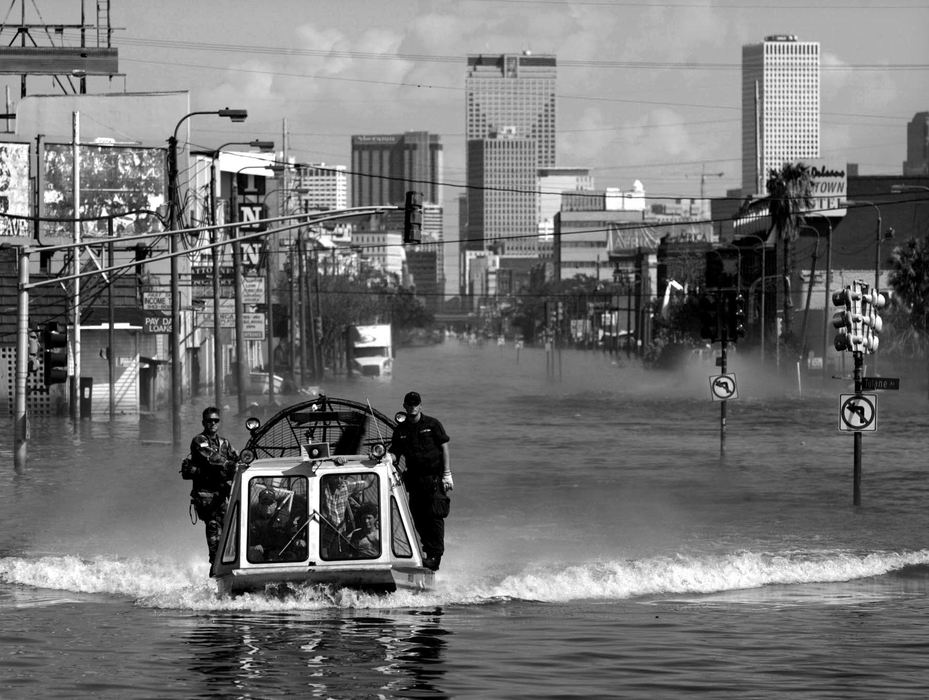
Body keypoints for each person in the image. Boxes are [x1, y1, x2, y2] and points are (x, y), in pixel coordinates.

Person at [388, 391, 453, 571]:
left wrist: (447, 474)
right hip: (415, 481)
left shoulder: (432, 424)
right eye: (409, 404)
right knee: (418, 518)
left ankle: (435, 556)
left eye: (415, 404)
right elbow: (396, 453)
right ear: (405, 406)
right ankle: (428, 553)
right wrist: (386, 456)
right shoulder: (400, 430)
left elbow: (444, 447)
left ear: (420, 406)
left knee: (434, 517)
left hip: (434, 479)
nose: (412, 407)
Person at [188, 406, 238, 564]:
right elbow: (210, 456)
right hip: (206, 494)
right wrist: (228, 464)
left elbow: (236, 458)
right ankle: (215, 564)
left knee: (230, 528)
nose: (213, 423)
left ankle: (230, 562)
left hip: (222, 493)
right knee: (213, 526)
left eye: (216, 420)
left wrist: (244, 462)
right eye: (209, 421)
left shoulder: (225, 443)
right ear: (204, 422)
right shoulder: (199, 441)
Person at [247, 487, 306, 562]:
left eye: (270, 503)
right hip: (260, 557)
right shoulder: (250, 518)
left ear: (275, 504)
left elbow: (292, 533)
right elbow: (241, 544)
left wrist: (298, 540)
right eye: (264, 504)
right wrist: (253, 547)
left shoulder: (284, 516)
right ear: (259, 505)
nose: (267, 506)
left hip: (280, 554)